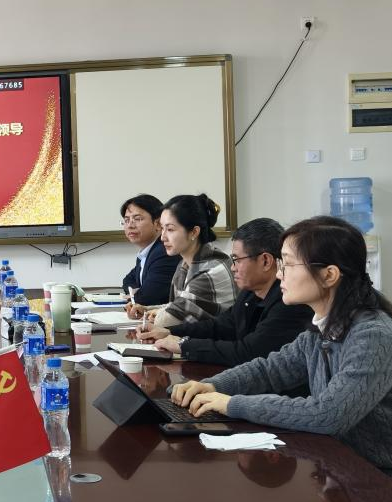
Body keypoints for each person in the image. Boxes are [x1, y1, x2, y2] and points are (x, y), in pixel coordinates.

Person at [173, 216, 392, 472]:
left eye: (287, 264)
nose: (278, 274)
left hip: (376, 478)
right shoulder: (321, 328)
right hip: (338, 467)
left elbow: (328, 414)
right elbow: (270, 370)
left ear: (329, 275)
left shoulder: (373, 335)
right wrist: (212, 385)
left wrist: (232, 404)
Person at [137, 218, 312, 365]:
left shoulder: (290, 303)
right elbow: (221, 326)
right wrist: (171, 332)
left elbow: (249, 352)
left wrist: (184, 345)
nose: (232, 267)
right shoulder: (250, 292)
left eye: (236, 260)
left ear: (265, 261)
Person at [129, 193, 234, 329]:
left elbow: (169, 321)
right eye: (162, 228)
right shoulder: (184, 264)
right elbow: (179, 305)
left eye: (170, 229)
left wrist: (154, 314)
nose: (162, 237)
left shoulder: (210, 271)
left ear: (194, 232)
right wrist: (146, 309)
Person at [119, 194, 180, 307]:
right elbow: (127, 280)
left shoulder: (164, 252)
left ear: (158, 224)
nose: (130, 225)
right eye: (126, 220)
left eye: (137, 219)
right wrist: (136, 293)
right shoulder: (147, 252)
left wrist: (136, 295)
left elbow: (146, 298)